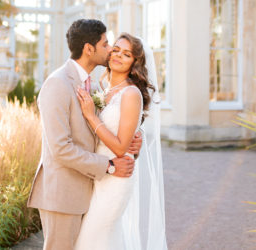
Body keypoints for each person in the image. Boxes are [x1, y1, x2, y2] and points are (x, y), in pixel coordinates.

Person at [27, 19, 143, 250]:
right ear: (89, 49)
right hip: (63, 194)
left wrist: (134, 138)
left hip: (89, 191)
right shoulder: (57, 84)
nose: (110, 50)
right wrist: (109, 166)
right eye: (106, 44)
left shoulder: (92, 85)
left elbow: (103, 125)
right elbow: (61, 149)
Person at [74, 32, 165, 250]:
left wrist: (91, 116)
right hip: (98, 174)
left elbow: (122, 146)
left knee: (91, 239)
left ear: (135, 63)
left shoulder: (131, 93)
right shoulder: (102, 91)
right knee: (105, 239)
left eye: (126, 54)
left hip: (117, 179)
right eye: (115, 49)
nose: (118, 56)